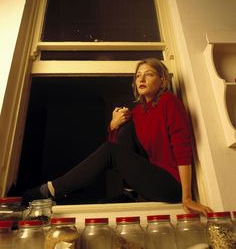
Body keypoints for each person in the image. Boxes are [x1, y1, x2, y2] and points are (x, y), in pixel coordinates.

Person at [21, 58, 212, 215]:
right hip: (148, 182)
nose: (141, 79)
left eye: (149, 74)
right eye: (138, 76)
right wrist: (113, 126)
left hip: (171, 184)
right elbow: (115, 158)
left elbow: (182, 145)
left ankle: (48, 190)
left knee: (110, 148)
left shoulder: (168, 101)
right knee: (102, 205)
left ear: (162, 80)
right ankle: (127, 192)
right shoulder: (137, 113)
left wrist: (186, 197)